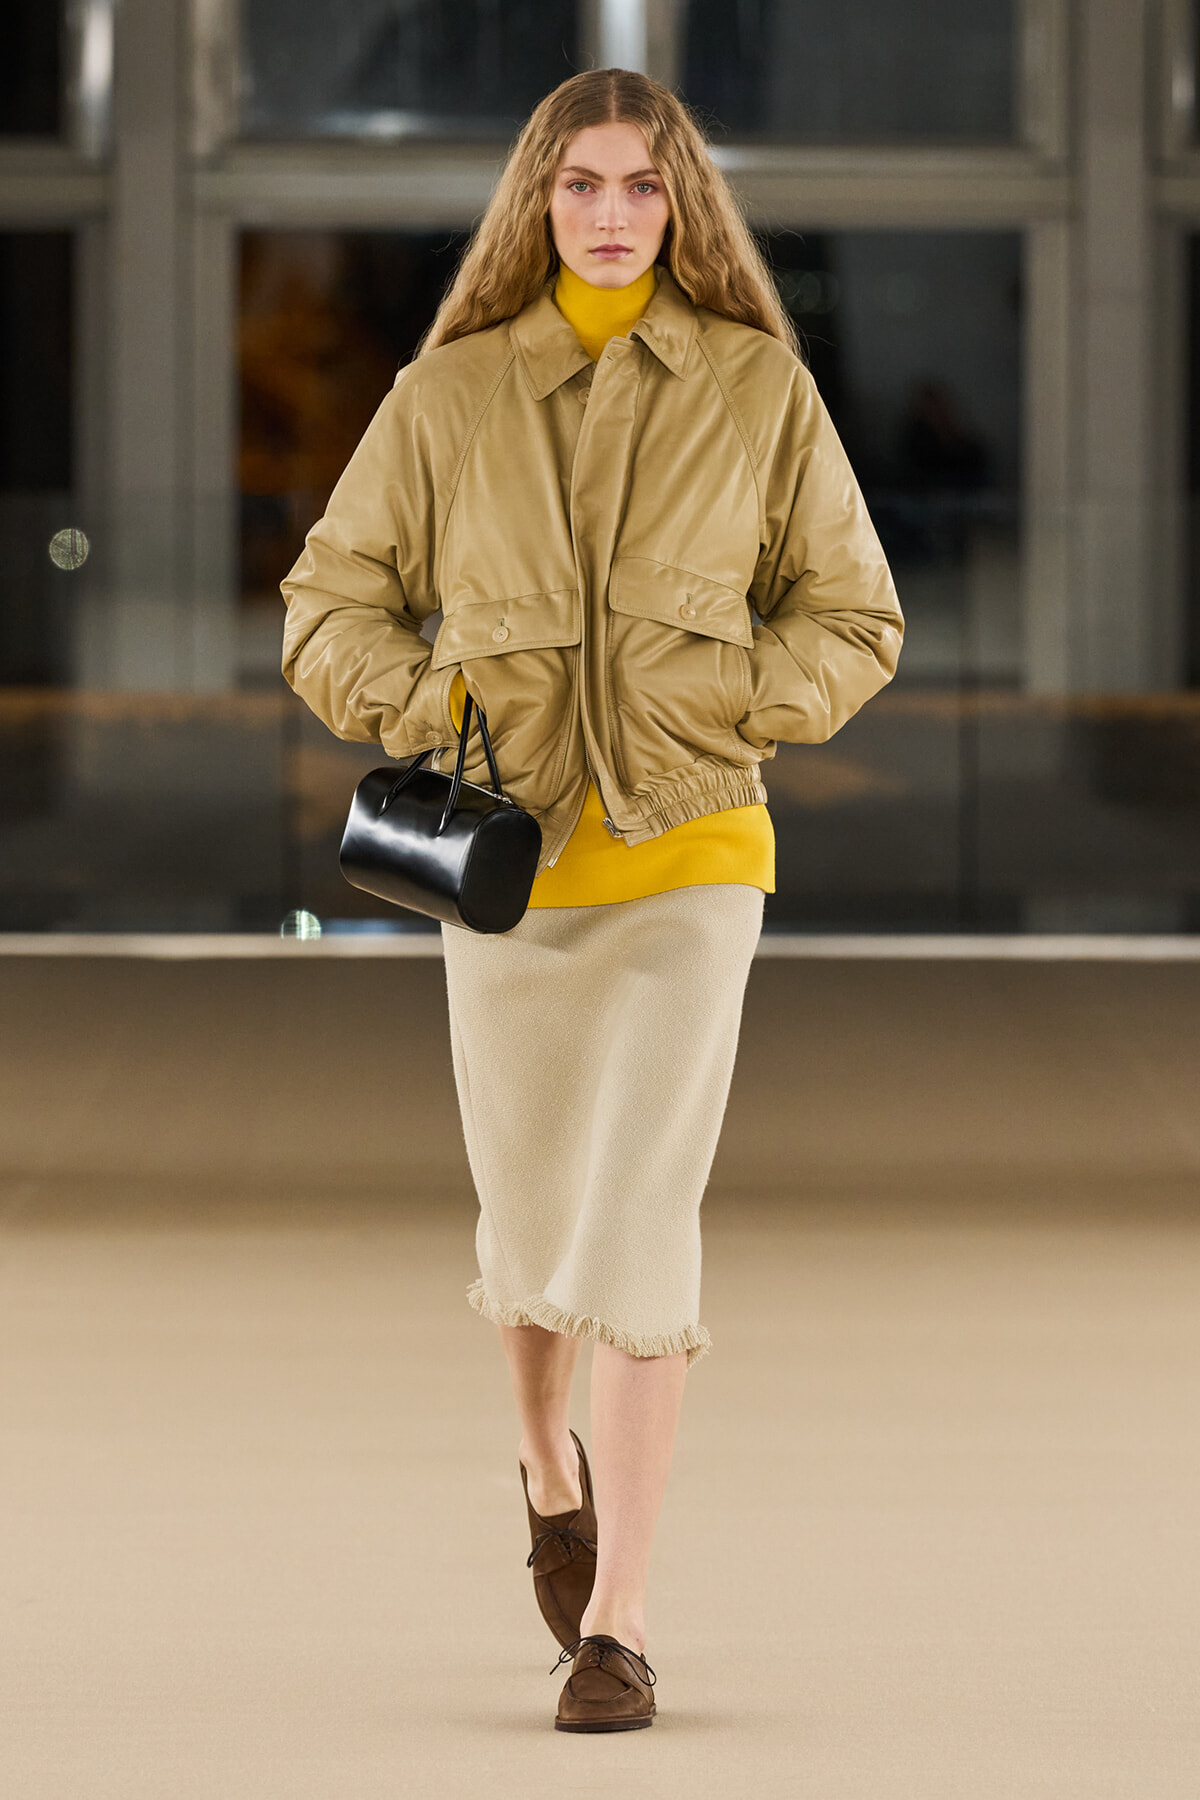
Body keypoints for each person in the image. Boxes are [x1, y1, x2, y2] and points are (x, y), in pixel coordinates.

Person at [281, 67, 903, 1733]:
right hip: (509, 877)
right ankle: (543, 1469)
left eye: (641, 184)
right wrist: (440, 711)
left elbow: (854, 618)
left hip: (695, 856)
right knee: (532, 1216)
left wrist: (724, 705)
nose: (612, 213)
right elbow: (327, 608)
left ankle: (619, 1617)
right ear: (537, 203)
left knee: (639, 1222)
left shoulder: (759, 391)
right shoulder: (449, 395)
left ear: (682, 203)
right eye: (580, 185)